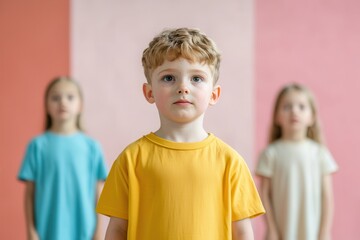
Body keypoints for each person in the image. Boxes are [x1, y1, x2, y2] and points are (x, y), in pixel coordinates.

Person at [96, 27, 265, 240]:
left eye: (196, 78)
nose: (183, 87)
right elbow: (117, 230)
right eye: (169, 78)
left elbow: (242, 233)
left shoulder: (230, 162)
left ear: (214, 94)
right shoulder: (131, 159)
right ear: (149, 92)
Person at [18, 76, 108, 240]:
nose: (63, 102)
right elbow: (29, 194)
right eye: (55, 97)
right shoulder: (37, 146)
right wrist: (31, 230)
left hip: (84, 233)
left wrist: (97, 233)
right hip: (46, 232)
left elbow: (98, 194)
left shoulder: (92, 147)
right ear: (46, 105)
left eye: (70, 97)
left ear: (80, 104)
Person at [256, 83, 338, 240]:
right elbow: (264, 195)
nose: (294, 111)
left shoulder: (320, 154)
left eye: (301, 107)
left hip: (312, 233)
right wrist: (271, 228)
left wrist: (324, 232)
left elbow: (327, 198)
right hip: (281, 233)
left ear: (312, 117)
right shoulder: (270, 154)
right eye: (287, 107)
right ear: (277, 117)